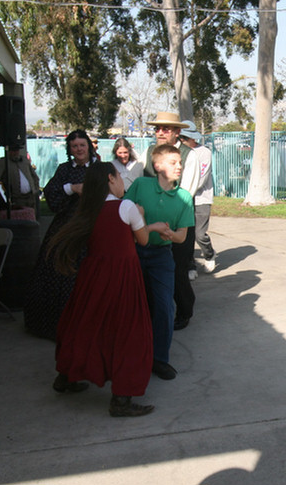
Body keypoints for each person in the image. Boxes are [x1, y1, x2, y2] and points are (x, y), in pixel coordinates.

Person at [49, 161, 169, 417]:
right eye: (119, 177)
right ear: (111, 179)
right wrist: (144, 217)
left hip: (93, 276)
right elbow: (143, 241)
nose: (123, 183)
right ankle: (121, 399)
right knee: (128, 332)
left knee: (84, 324)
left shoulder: (88, 209)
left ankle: (65, 377)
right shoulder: (126, 207)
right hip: (122, 277)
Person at [124, 144, 194, 381]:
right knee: (132, 305)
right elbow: (123, 215)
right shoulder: (141, 186)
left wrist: (169, 234)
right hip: (133, 251)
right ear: (157, 166)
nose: (179, 167)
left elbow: (182, 236)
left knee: (165, 306)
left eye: (180, 163)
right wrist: (141, 219)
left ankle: (159, 359)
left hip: (161, 256)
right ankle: (130, 354)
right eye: (173, 162)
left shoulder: (184, 197)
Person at [24, 130, 96, 340]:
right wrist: (72, 188)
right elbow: (51, 192)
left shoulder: (98, 169)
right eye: (74, 146)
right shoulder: (64, 169)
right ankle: (55, 326)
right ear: (69, 149)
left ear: (88, 147)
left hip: (91, 228)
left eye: (82, 145)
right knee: (56, 270)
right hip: (64, 228)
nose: (79, 150)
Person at [142, 112, 196, 330]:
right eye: (158, 129)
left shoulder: (188, 155)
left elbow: (187, 191)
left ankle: (184, 311)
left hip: (178, 220)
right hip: (151, 222)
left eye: (165, 129)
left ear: (177, 132)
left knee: (178, 270)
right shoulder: (146, 153)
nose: (160, 133)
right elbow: (139, 181)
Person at [178, 120, 217, 279]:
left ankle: (209, 254)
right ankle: (190, 265)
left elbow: (200, 178)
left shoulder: (204, 153)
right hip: (183, 200)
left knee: (200, 234)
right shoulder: (179, 152)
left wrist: (187, 190)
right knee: (187, 236)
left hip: (201, 199)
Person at [0, 144, 41, 217]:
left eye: (16, 150)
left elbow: (34, 176)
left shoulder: (24, 161)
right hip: (17, 198)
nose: (15, 153)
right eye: (13, 150)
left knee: (32, 217)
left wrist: (35, 189)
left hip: (30, 196)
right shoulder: (3, 163)